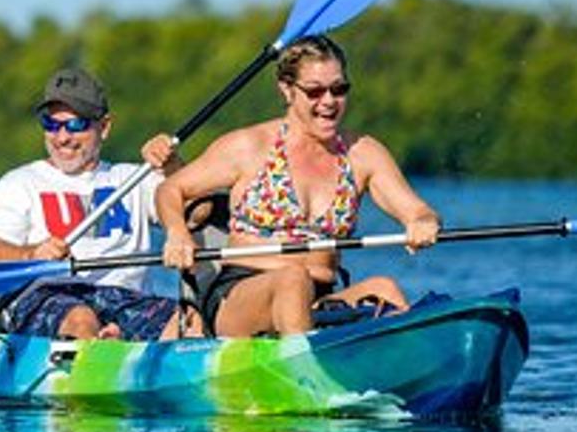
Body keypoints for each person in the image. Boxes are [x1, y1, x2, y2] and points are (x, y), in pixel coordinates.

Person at [155, 34, 439, 337]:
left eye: (339, 89)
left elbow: (416, 210)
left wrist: (423, 222)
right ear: (287, 90)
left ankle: (401, 374)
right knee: (292, 279)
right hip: (241, 296)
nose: (329, 101)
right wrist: (177, 233)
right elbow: (171, 190)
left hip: (320, 295)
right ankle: (307, 376)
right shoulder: (249, 146)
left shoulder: (363, 153)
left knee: (386, 288)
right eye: (315, 91)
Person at [0, 66, 186, 340]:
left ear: (105, 127)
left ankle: (119, 342)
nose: (62, 137)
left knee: (189, 319)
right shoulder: (18, 183)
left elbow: (198, 211)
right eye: (51, 124)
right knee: (81, 319)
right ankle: (98, 348)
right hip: (48, 296)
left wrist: (172, 166)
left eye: (76, 125)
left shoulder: (136, 178)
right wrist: (31, 255)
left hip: (126, 300)